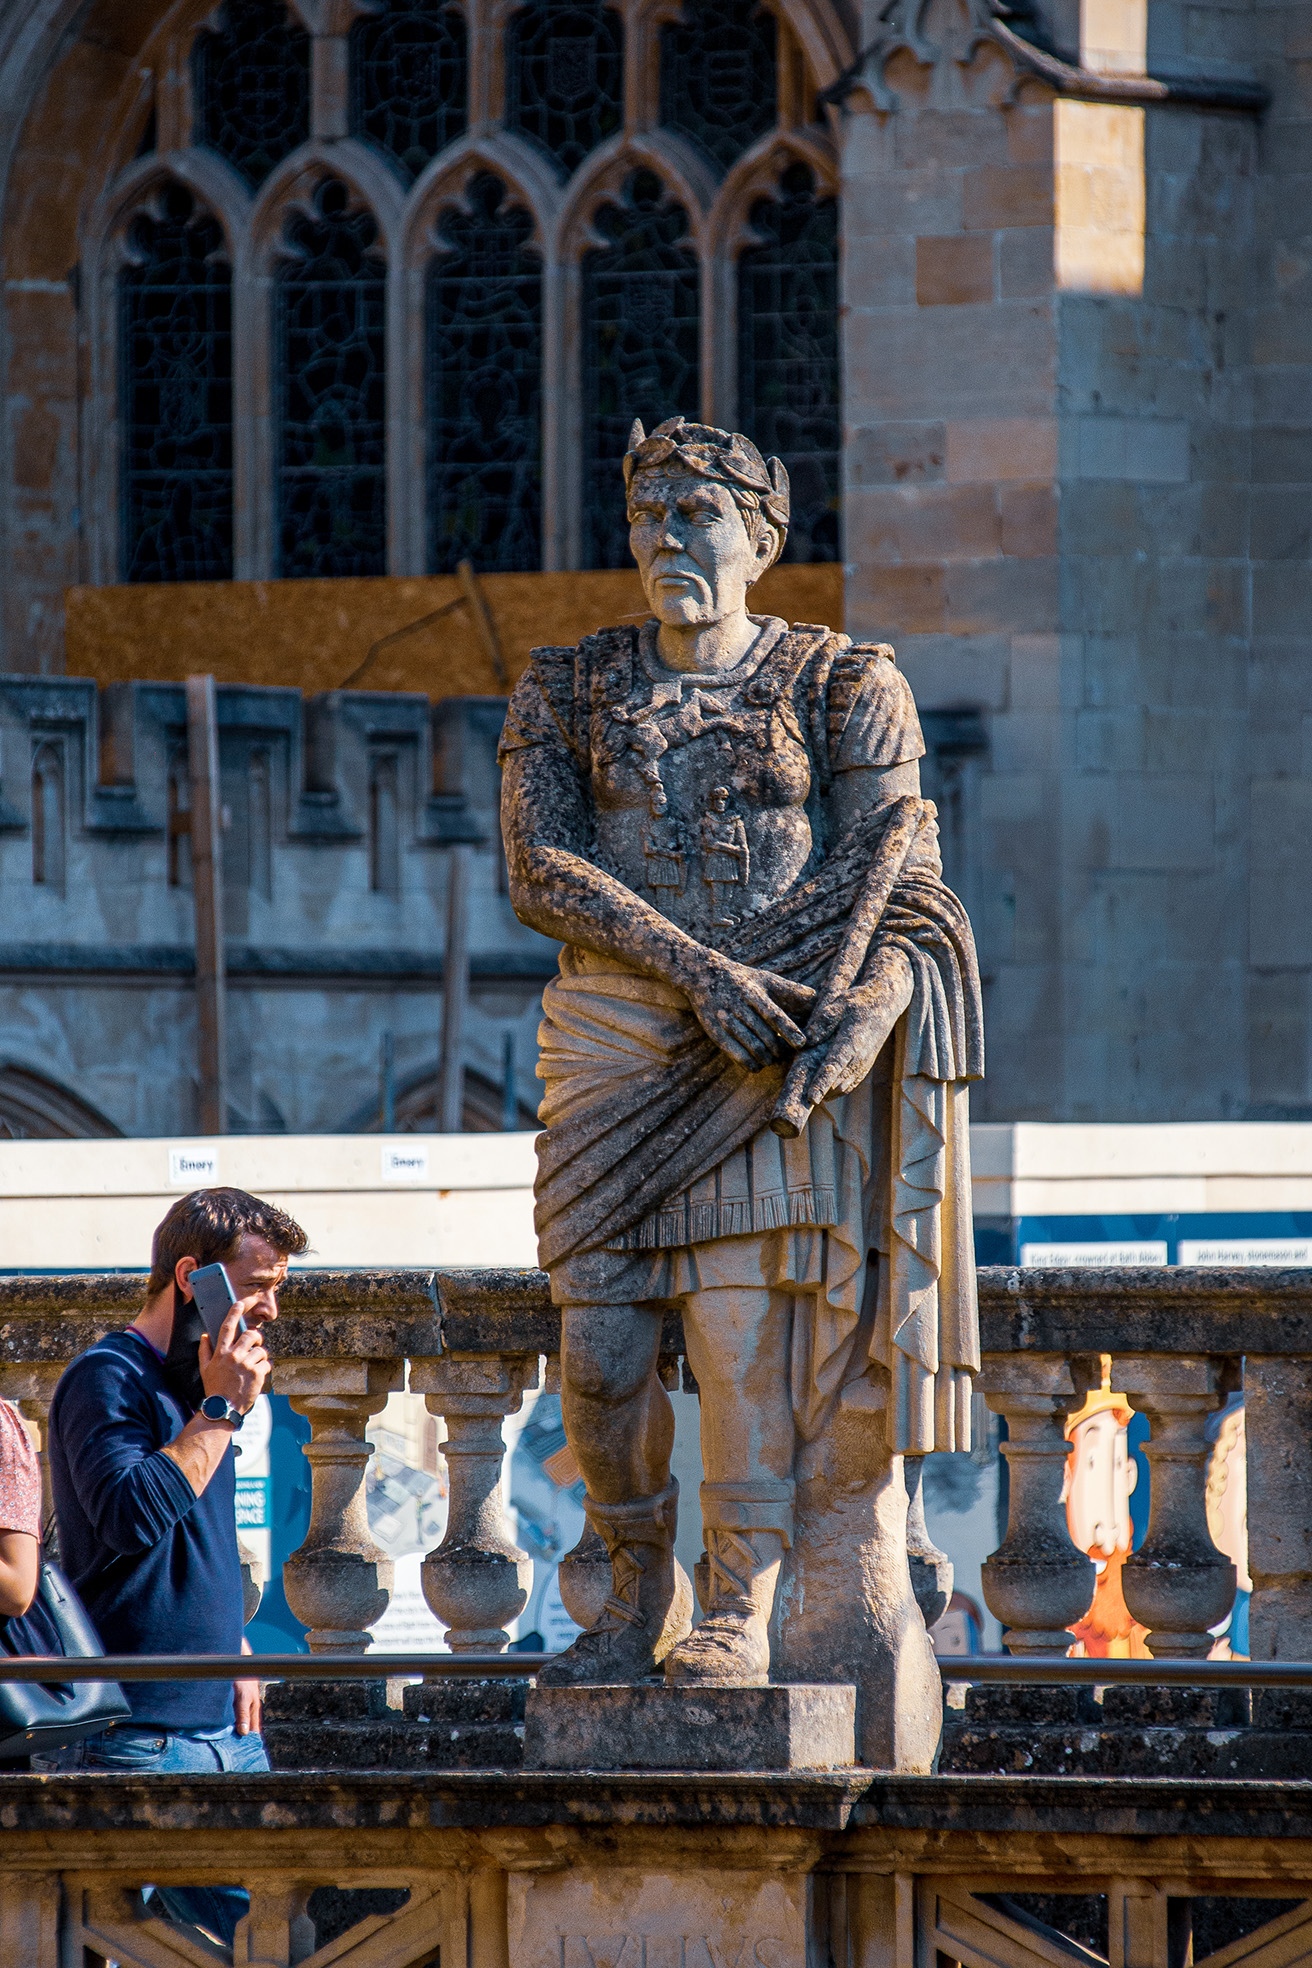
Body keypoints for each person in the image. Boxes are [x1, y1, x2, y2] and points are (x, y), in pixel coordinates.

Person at [499, 418, 982, 1762]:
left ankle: (741, 1600)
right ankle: (630, 1574)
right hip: (616, 1040)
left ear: (761, 539)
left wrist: (861, 1013)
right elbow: (538, 869)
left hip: (772, 1052)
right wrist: (695, 969)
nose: (668, 536)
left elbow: (909, 879)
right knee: (598, 1358)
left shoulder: (843, 683)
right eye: (649, 512)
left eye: (699, 514)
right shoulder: (568, 685)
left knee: (740, 1341)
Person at [46, 1187, 308, 1947]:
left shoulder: (202, 1384)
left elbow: (197, 1542)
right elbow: (128, 1516)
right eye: (257, 1286)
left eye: (276, 1290)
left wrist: (236, 1642)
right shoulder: (108, 1377)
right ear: (193, 1276)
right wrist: (220, 1413)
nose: (270, 1311)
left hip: (227, 1729)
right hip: (135, 1731)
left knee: (277, 1942)